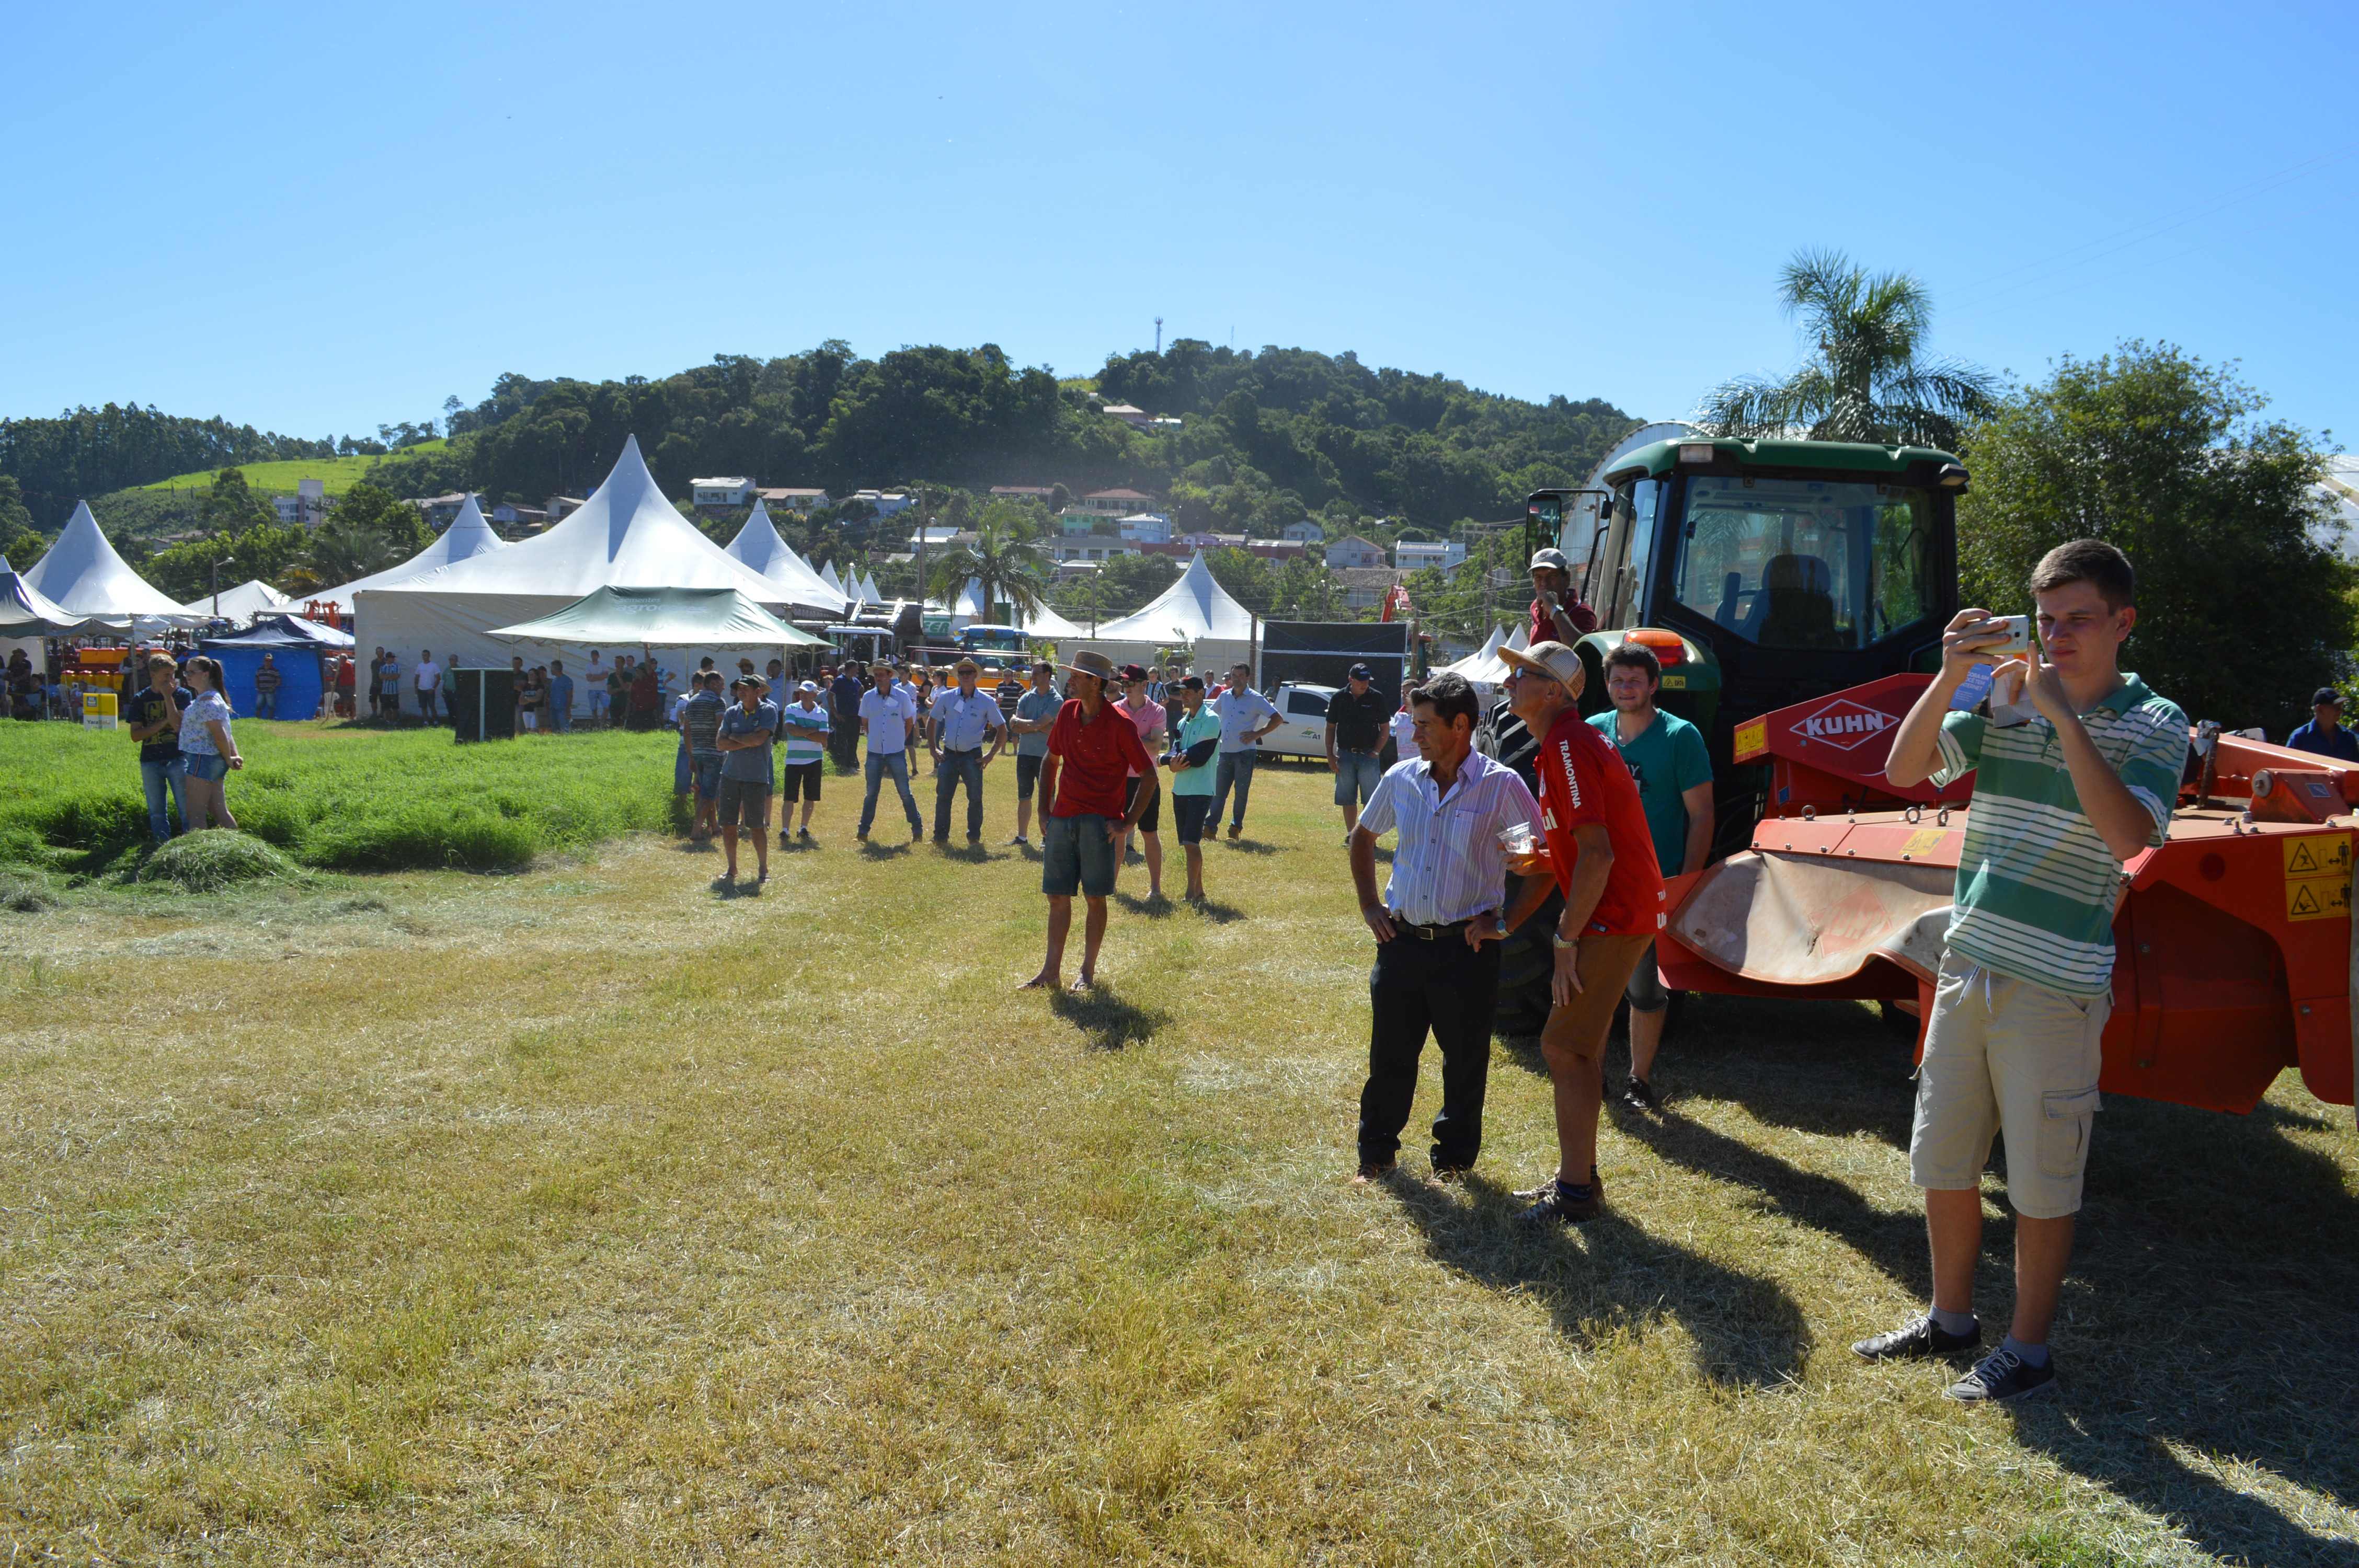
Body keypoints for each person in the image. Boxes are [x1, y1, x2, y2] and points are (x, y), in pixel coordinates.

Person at [1858, 540, 2186, 1403]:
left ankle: (2028, 1351)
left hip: (2056, 984)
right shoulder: (2003, 695)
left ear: (2123, 622)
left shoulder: (2156, 721)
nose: (2059, 635)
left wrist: (2061, 715)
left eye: (2078, 619)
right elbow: (1900, 773)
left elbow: (2129, 838)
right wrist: (1946, 676)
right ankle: (1950, 1319)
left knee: (2042, 1181)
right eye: (2046, 620)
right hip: (1969, 965)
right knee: (1943, 1160)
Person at [1490, 641, 1666, 1227]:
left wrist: (1564, 939)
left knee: (1562, 1048)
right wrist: (1540, 859)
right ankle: (1579, 1181)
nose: (1510, 679)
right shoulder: (1564, 743)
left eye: (1524, 673)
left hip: (1612, 915)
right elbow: (1581, 846)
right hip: (1619, 911)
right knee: (1578, 1049)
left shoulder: (1566, 741)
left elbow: (1599, 855)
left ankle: (1574, 1193)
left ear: (1553, 692)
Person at [1347, 671, 1545, 1183]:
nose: (1414, 736)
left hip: (1466, 952)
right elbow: (1363, 837)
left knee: (1464, 1063)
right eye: (1414, 725)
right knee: (1390, 1057)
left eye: (1425, 726)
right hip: (1402, 944)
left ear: (1461, 725)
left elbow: (1538, 867)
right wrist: (1371, 905)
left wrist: (1504, 920)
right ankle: (1376, 1156)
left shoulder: (1502, 787)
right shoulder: (1402, 779)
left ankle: (1453, 1161)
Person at [1589, 641, 1715, 1112]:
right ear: (1607, 685)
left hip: (1652, 882)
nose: (1626, 688)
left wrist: (1687, 881)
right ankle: (1593, 1074)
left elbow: (1701, 814)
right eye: (1618, 680)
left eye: (1635, 681)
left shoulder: (1681, 737)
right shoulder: (1593, 734)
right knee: (1594, 984)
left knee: (1645, 988)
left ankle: (1638, 1080)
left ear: (1653, 686)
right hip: (1598, 881)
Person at [1021, 651, 1159, 992]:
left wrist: (1127, 823)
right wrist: (1043, 811)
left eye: (1077, 677)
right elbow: (1050, 762)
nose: (1070, 681)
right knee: (1057, 897)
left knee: (1095, 899)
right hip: (1063, 818)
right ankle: (1050, 971)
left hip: (1100, 824)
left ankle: (1087, 972)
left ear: (1095, 684)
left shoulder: (1121, 725)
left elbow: (1149, 776)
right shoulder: (1067, 712)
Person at [929, 658, 1007, 844]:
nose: (964, 676)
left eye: (968, 673)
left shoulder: (986, 701)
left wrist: (991, 754)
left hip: (973, 756)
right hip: (948, 755)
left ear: (975, 676)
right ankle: (940, 837)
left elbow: (1003, 729)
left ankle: (974, 837)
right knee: (943, 798)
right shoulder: (947, 697)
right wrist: (933, 750)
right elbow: (932, 721)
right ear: (957, 676)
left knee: (975, 798)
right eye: (961, 673)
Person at [1162, 674, 1223, 902]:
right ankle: (1199, 891)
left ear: (1202, 693)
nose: (1184, 696)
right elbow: (1174, 752)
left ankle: (1190, 893)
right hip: (1180, 789)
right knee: (1187, 845)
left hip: (1201, 789)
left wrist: (1166, 761)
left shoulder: (1211, 719)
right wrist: (1169, 761)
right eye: (1182, 692)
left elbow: (1199, 757)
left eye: (1188, 692)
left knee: (1191, 842)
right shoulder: (1182, 721)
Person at [714, 674, 778, 882]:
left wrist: (734, 737)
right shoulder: (732, 712)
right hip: (730, 775)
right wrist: (746, 740)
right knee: (728, 824)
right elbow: (720, 744)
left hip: (756, 777)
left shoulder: (768, 710)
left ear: (758, 691)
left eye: (746, 688)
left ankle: (763, 870)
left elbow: (760, 739)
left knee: (756, 826)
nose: (741, 691)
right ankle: (732, 869)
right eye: (739, 688)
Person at [1113, 664, 1167, 897]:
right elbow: (1110, 744)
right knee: (1117, 833)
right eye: (1124, 683)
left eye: (1131, 683)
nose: (1127, 687)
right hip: (1119, 780)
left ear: (1145, 684)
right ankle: (1110, 885)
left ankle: (1155, 888)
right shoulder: (1114, 709)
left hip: (1147, 781)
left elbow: (1155, 746)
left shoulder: (1158, 711)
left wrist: (1125, 737)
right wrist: (1139, 737)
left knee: (1149, 833)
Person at [1209, 662, 1281, 840]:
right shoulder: (1224, 696)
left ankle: (1235, 828)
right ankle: (1210, 829)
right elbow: (1211, 715)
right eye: (1234, 675)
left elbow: (1277, 719)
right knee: (1218, 792)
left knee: (1241, 793)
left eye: (1241, 675)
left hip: (1244, 753)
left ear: (1248, 678)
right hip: (1225, 751)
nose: (1237, 679)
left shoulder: (1256, 699)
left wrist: (1257, 734)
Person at [127, 652, 191, 843]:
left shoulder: (182, 695)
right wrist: (165, 721)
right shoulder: (140, 699)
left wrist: (167, 697)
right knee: (156, 811)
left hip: (178, 758)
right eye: (166, 675)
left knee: (186, 808)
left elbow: (179, 726)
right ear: (153, 674)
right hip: (150, 761)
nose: (171, 680)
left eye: (172, 675)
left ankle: (190, 844)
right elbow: (135, 736)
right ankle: (160, 847)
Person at [857, 661, 923, 843]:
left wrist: (899, 741)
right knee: (871, 793)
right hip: (875, 752)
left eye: (881, 674)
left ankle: (917, 830)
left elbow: (909, 722)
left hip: (896, 752)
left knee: (905, 792)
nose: (878, 677)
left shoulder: (902, 697)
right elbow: (865, 722)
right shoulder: (869, 697)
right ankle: (863, 832)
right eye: (875, 674)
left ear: (889, 676)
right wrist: (876, 740)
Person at [1324, 662, 1390, 844]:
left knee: (1371, 800)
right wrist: (1330, 756)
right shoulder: (1338, 698)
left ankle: (1368, 837)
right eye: (1361, 680)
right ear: (1350, 679)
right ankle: (1351, 834)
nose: (1365, 683)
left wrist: (1376, 752)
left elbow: (1385, 728)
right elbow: (1330, 728)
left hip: (1368, 755)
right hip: (1345, 755)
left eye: (1367, 680)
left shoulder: (1377, 698)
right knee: (1347, 798)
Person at [177, 655, 245, 831]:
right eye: (186, 672)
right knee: (219, 811)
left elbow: (220, 735)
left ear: (206, 674)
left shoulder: (208, 702)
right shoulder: (213, 698)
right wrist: (232, 755)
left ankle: (197, 852)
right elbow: (226, 733)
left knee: (196, 814)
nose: (187, 676)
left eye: (192, 672)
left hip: (202, 758)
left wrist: (229, 757)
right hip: (213, 759)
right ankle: (239, 846)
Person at [1005, 661, 1062, 846]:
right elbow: (1016, 728)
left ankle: (1049, 837)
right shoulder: (1026, 698)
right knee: (1024, 796)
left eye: (1037, 673)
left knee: (1049, 798)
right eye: (1033, 673)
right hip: (1025, 754)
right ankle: (1022, 837)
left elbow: (1030, 724)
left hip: (1047, 756)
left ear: (1047, 676)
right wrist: (1039, 726)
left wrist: (1024, 723)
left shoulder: (1057, 700)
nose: (1033, 676)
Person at [777, 679, 831, 840]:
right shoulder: (791, 709)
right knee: (789, 798)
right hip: (793, 760)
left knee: (810, 797)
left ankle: (803, 828)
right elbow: (791, 730)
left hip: (814, 760)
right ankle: (785, 830)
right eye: (802, 692)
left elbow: (823, 737)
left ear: (815, 695)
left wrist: (802, 732)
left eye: (807, 693)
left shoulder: (822, 713)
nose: (804, 695)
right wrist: (812, 731)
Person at [683, 672, 727, 840]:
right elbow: (721, 728)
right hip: (713, 753)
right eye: (722, 684)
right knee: (708, 795)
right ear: (713, 684)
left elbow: (687, 730)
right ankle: (695, 832)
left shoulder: (692, 701)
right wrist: (724, 749)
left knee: (706, 792)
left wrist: (691, 755)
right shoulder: (718, 702)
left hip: (697, 752)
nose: (724, 687)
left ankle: (715, 827)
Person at [1528, 547, 1600, 644]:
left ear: (1566, 579)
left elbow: (1581, 651)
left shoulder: (1582, 613)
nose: (1544, 583)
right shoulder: (1535, 607)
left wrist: (1555, 610)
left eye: (1552, 577)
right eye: (1538, 578)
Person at [2286, 686, 2358, 760]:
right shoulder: (2300, 737)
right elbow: (2288, 767)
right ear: (2320, 709)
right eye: (2336, 706)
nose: (2340, 710)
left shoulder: (2348, 737)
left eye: (2340, 706)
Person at [828, 663, 864, 769]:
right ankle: (841, 764)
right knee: (841, 742)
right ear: (852, 669)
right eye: (856, 668)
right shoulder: (840, 680)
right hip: (843, 716)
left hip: (855, 716)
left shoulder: (854, 680)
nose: (858, 671)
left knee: (854, 741)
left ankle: (852, 763)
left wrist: (858, 699)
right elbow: (829, 696)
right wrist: (835, 713)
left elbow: (861, 688)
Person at [1386, 690, 1417, 767]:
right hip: (1402, 762)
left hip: (1418, 761)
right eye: (1403, 693)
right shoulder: (1398, 715)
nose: (1405, 696)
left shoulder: (1423, 715)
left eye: (1408, 693)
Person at [629, 656, 661, 731]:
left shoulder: (651, 679)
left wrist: (647, 650)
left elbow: (648, 666)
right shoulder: (636, 682)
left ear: (644, 672)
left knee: (650, 731)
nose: (636, 672)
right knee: (636, 731)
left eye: (638, 670)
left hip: (650, 711)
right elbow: (631, 699)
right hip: (638, 711)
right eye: (636, 670)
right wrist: (626, 712)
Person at [251, 651, 282, 720]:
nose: (268, 662)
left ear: (272, 661)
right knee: (258, 706)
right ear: (264, 660)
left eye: (269, 661)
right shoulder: (260, 669)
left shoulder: (275, 670)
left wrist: (273, 688)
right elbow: (257, 679)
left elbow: (279, 681)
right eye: (266, 660)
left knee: (271, 706)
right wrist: (258, 688)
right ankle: (257, 719)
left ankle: (269, 719)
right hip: (261, 690)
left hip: (270, 691)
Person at [414, 650, 442, 723]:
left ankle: (435, 721)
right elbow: (417, 677)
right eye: (423, 655)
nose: (424, 657)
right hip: (421, 689)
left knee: (432, 706)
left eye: (426, 655)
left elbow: (438, 679)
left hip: (430, 690)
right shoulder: (420, 666)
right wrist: (416, 687)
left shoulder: (434, 666)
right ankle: (426, 721)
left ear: (429, 656)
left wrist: (433, 688)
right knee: (423, 706)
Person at [547, 660, 574, 733]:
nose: (550, 670)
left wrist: (568, 709)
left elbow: (570, 695)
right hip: (553, 708)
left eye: (552, 668)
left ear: (556, 669)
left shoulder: (567, 680)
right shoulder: (554, 680)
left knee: (566, 730)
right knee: (555, 730)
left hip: (563, 709)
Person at [377, 648, 403, 721]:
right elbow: (381, 676)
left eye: (393, 658)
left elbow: (397, 676)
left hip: (394, 691)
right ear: (387, 658)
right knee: (387, 708)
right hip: (385, 691)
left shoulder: (397, 666)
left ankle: (395, 721)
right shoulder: (383, 667)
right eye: (392, 658)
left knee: (395, 707)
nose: (393, 659)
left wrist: (387, 676)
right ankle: (389, 721)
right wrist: (390, 676)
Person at [583, 651, 606, 727]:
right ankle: (597, 725)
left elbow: (605, 676)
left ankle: (602, 724)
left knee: (607, 707)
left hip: (602, 689)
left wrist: (594, 676)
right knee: (594, 709)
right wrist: (600, 677)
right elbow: (589, 679)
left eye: (595, 656)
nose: (594, 657)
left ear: (598, 656)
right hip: (592, 690)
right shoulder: (588, 666)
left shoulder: (603, 665)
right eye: (593, 656)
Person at [334, 652, 356, 718]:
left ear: (344, 659)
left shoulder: (347, 665)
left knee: (351, 700)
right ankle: (344, 714)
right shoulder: (342, 666)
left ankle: (354, 714)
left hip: (349, 685)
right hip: (344, 684)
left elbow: (340, 672)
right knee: (344, 700)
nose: (339, 660)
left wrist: (333, 669)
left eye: (340, 659)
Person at [367, 646, 386, 718]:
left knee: (383, 701)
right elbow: (372, 671)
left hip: (383, 685)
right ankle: (374, 714)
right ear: (376, 653)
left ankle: (382, 715)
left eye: (382, 652)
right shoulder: (374, 662)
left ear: (384, 653)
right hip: (374, 684)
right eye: (379, 652)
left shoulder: (386, 662)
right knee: (373, 700)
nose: (380, 653)